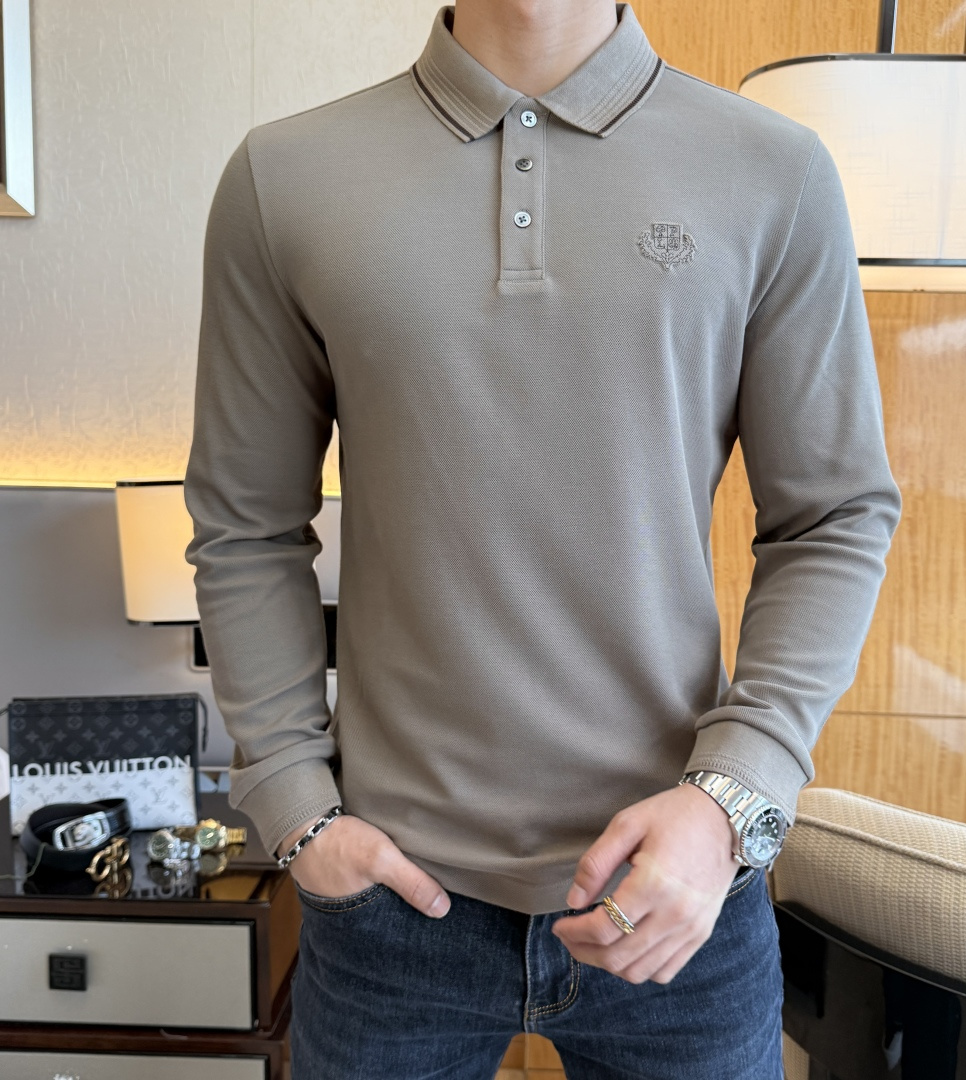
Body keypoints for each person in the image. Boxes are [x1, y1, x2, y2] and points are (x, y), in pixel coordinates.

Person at [183, 1, 902, 1076]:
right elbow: (245, 521)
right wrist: (293, 805)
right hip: (387, 909)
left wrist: (733, 800)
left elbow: (833, 515)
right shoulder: (283, 177)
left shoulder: (774, 171)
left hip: (681, 898)